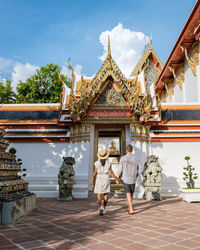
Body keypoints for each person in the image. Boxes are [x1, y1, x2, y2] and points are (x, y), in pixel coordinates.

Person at [91, 149, 119, 216]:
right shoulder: (108, 163)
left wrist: (92, 180)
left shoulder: (96, 163)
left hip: (99, 178)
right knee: (106, 194)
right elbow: (111, 173)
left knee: (99, 194)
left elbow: (94, 173)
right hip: (106, 177)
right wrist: (116, 179)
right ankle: (104, 207)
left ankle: (101, 207)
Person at [117, 144, 142, 215]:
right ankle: (131, 208)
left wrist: (117, 178)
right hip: (133, 178)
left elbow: (120, 169)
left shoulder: (123, 158)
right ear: (132, 150)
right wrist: (136, 175)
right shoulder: (136, 158)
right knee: (131, 193)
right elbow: (140, 168)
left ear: (126, 150)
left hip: (125, 178)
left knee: (128, 193)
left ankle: (129, 207)